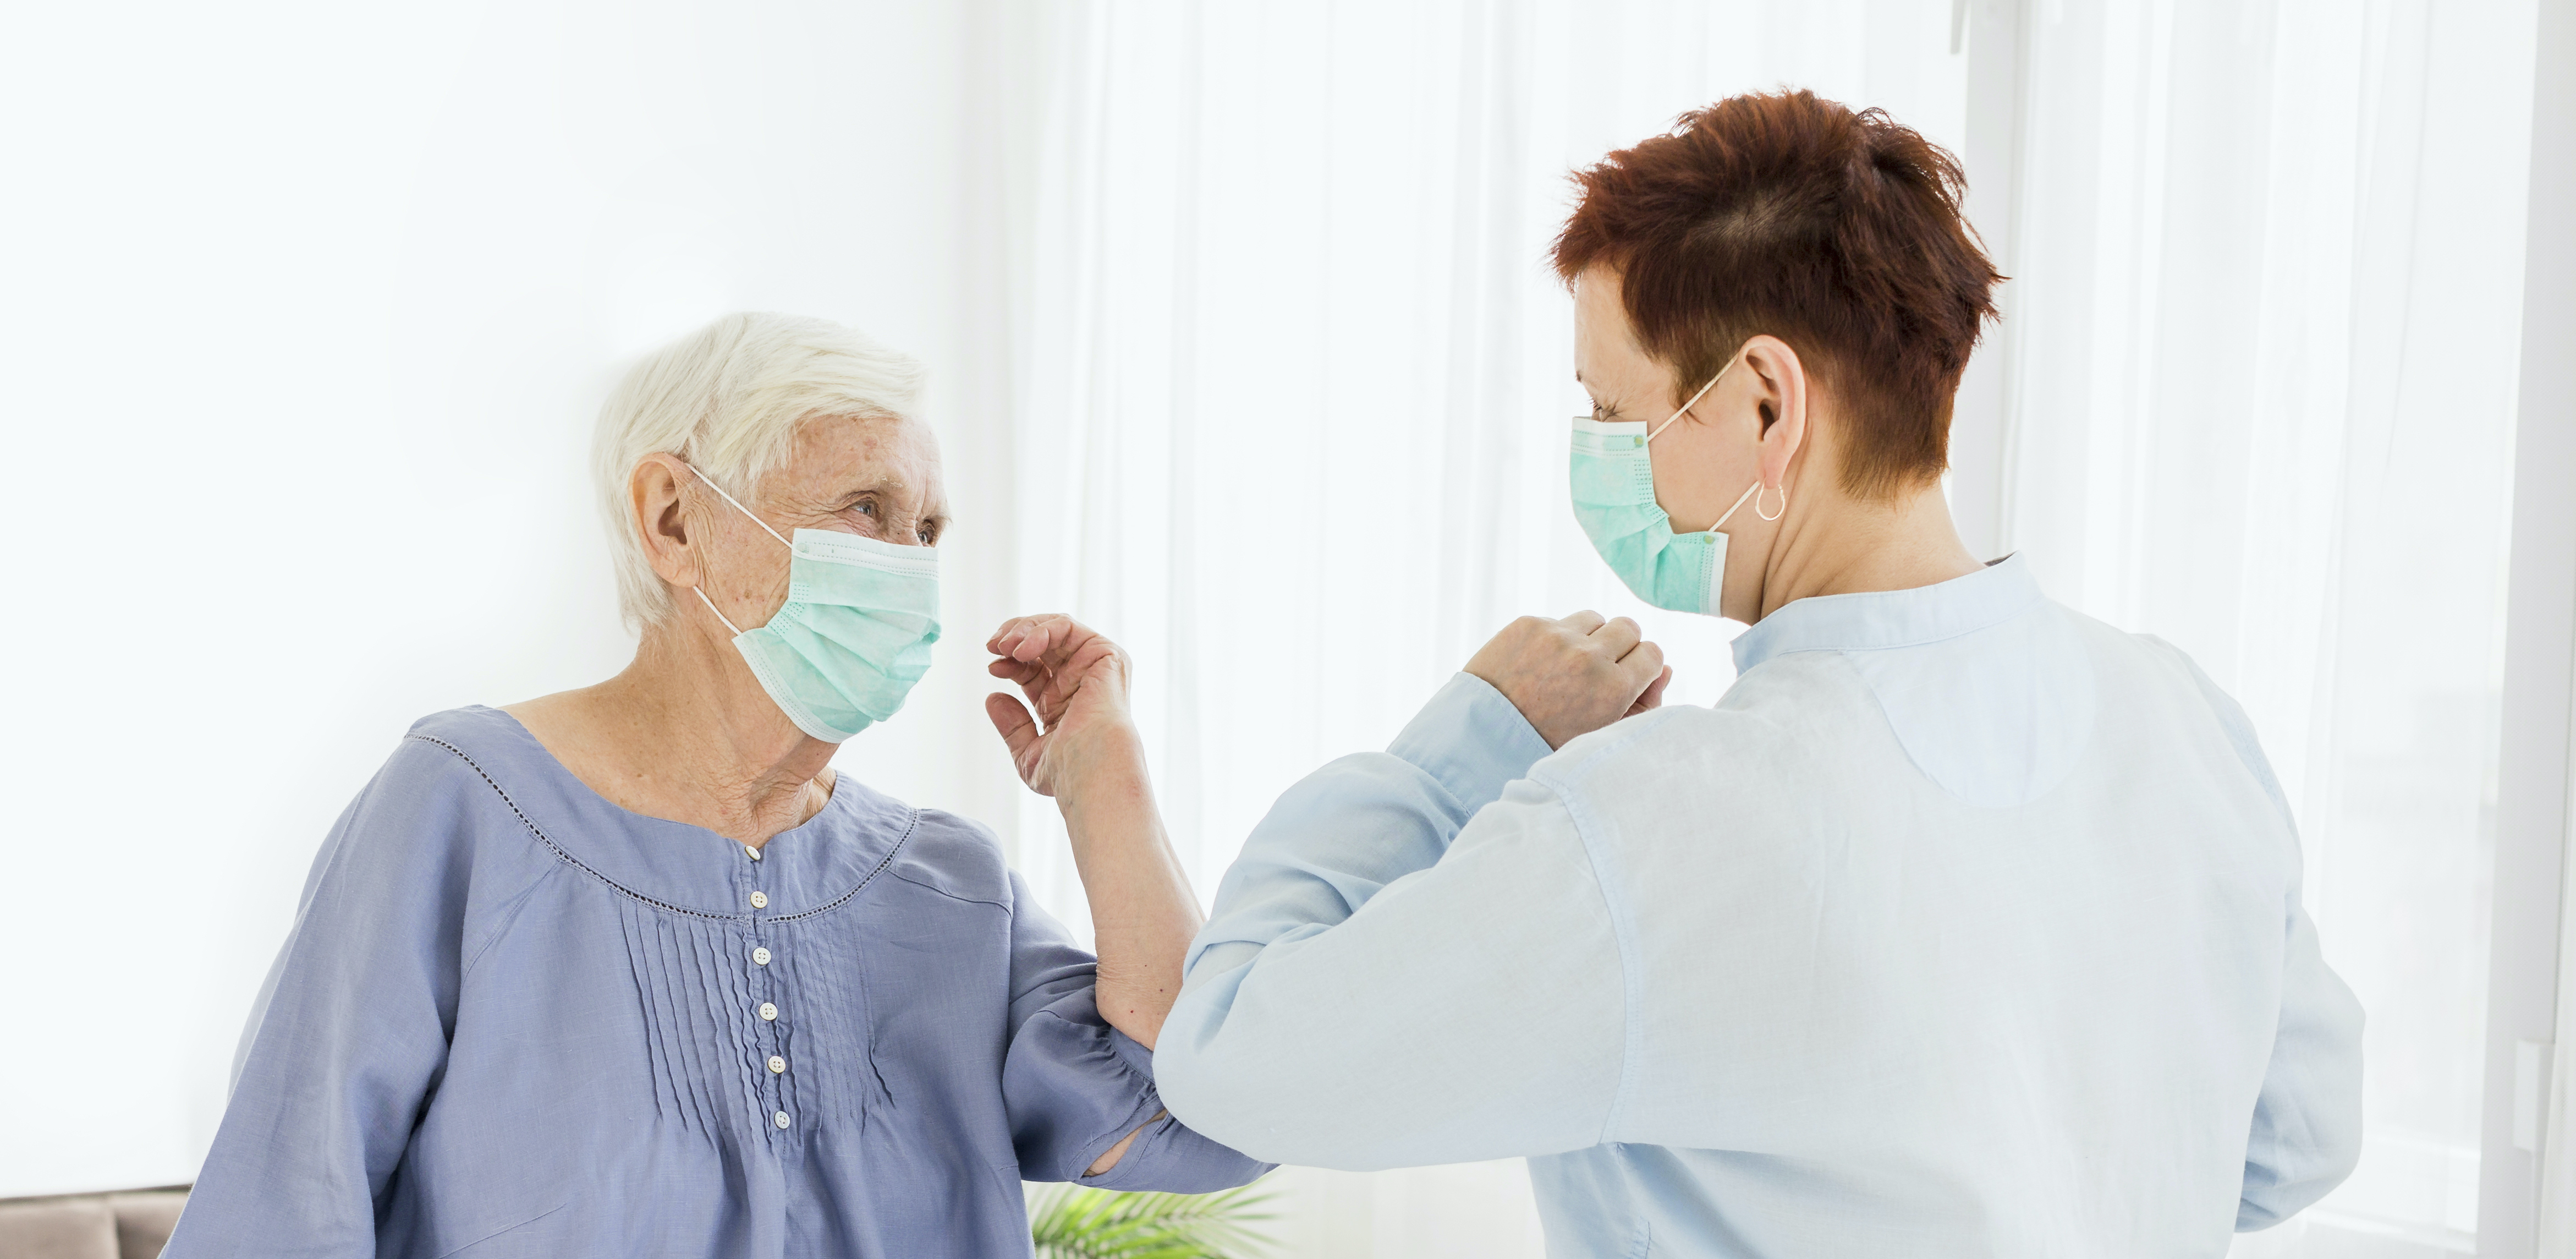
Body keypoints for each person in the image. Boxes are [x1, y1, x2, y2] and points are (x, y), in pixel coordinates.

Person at [1118, 91, 2365, 1256]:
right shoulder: (2182, 721)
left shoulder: (1663, 820)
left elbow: (1236, 1059)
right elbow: (2299, 1135)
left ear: (1767, 405)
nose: (1596, 454)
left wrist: (1471, 740)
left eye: (1612, 409)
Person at [162, 313, 1265, 1259]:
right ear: (673, 520)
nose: (907, 562)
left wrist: (1102, 780)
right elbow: (283, 1207)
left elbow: (1213, 1118)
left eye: (927, 529)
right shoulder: (459, 810)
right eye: (866, 508)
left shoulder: (950, 886)